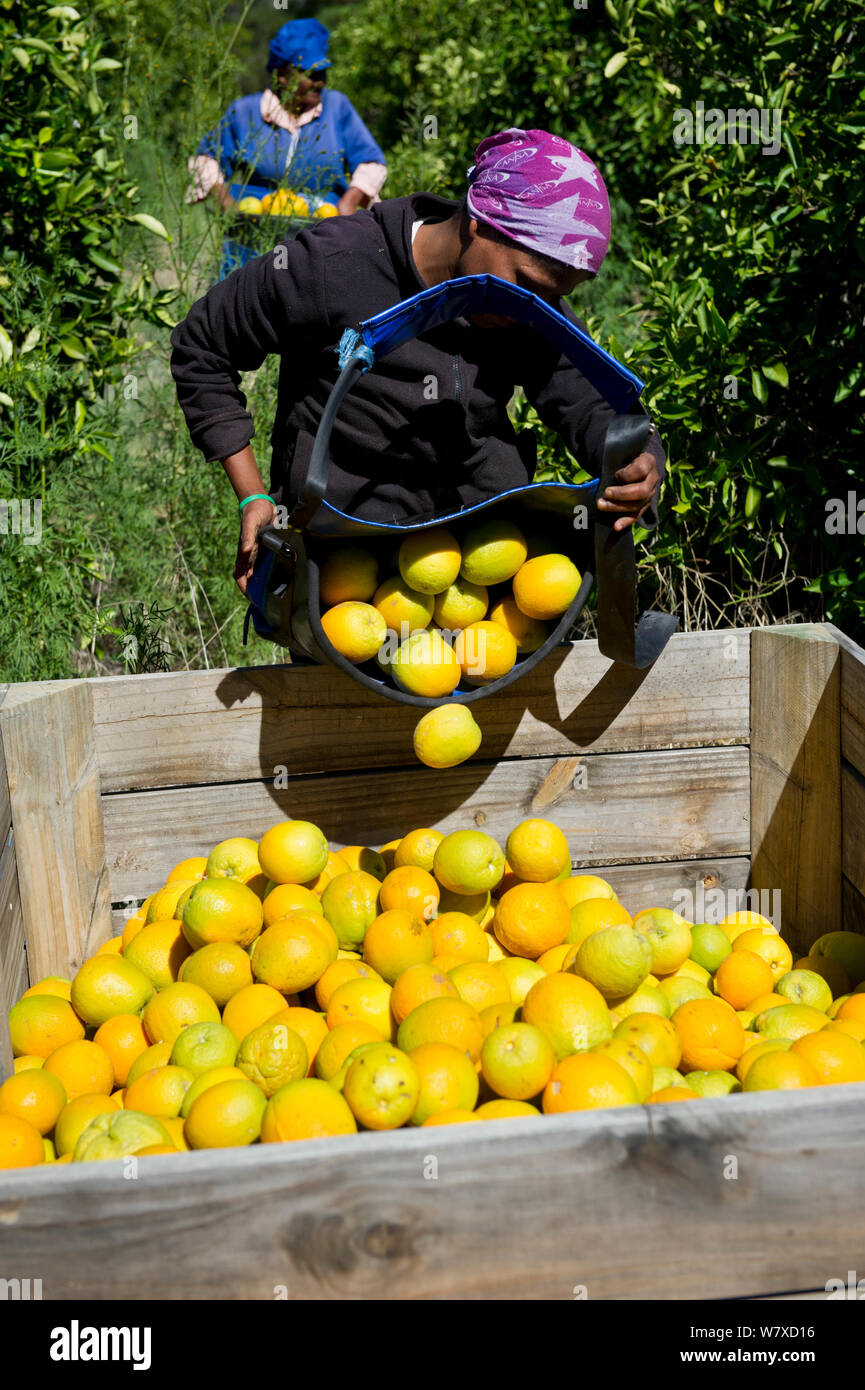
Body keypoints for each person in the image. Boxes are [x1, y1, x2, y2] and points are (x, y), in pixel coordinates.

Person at [171, 127, 666, 595]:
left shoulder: (531, 303)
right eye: (528, 284)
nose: (533, 309)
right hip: (343, 563)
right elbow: (202, 346)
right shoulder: (331, 266)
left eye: (554, 296)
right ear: (479, 225)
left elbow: (591, 405)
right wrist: (253, 495)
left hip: (483, 565)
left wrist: (638, 460)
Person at [186, 18, 387, 274]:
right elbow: (206, 159)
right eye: (310, 74)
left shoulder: (337, 108)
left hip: (322, 235)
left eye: (322, 73)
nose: (319, 82)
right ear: (282, 75)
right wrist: (228, 205)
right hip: (253, 234)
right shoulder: (246, 112)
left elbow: (370, 161)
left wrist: (349, 202)